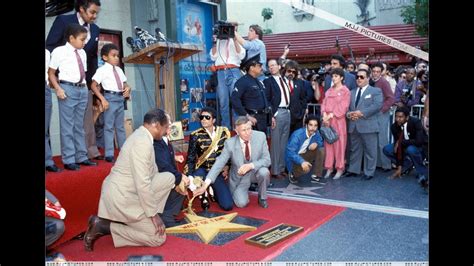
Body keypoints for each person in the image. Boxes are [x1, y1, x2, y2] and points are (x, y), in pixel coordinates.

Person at [83, 108, 190, 251]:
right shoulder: (142, 143)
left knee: (169, 178)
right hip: (122, 196)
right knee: (157, 238)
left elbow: (153, 174)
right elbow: (142, 183)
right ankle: (104, 226)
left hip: (131, 191)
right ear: (156, 125)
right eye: (165, 127)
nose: (166, 131)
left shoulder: (143, 135)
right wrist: (153, 215)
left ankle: (137, 219)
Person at [46, 0, 103, 161]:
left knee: (82, 124)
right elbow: (49, 47)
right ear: (81, 9)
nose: (94, 16)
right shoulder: (64, 21)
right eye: (92, 12)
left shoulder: (96, 29)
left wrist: (93, 85)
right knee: (67, 124)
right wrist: (54, 79)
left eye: (96, 13)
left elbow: (92, 59)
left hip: (83, 85)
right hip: (64, 82)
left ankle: (82, 155)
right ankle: (69, 158)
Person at [194, 116, 271, 208]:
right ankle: (241, 192)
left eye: (249, 128)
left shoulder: (260, 136)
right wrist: (205, 185)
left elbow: (267, 160)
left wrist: (251, 165)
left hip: (255, 172)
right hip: (239, 178)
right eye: (243, 130)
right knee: (241, 204)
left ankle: (262, 197)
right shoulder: (230, 143)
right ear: (237, 131)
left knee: (264, 172)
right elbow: (219, 163)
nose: (248, 133)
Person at [184, 107, 233, 211]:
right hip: (202, 170)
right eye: (201, 117)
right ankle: (204, 195)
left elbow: (228, 153)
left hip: (216, 171)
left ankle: (212, 190)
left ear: (214, 120)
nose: (203, 120)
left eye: (207, 117)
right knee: (196, 178)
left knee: (227, 205)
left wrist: (227, 166)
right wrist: (190, 176)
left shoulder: (223, 132)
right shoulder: (195, 135)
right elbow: (191, 158)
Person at [91, 43, 131, 163]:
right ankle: (109, 153)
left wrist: (128, 88)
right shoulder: (102, 70)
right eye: (113, 55)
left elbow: (125, 84)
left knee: (120, 127)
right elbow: (93, 85)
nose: (116, 58)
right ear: (104, 57)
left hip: (120, 99)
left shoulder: (119, 70)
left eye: (117, 56)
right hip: (109, 98)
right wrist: (102, 99)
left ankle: (124, 152)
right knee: (108, 127)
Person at [343, 69, 383, 180]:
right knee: (354, 150)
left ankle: (369, 172)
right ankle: (353, 170)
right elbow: (345, 108)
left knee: (370, 151)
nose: (359, 79)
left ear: (368, 78)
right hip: (354, 125)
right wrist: (349, 114)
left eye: (362, 77)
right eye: (357, 77)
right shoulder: (351, 92)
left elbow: (377, 106)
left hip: (368, 126)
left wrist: (361, 113)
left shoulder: (376, 91)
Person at [153, 114, 189, 226]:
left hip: (166, 175)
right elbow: (162, 165)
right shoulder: (155, 141)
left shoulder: (164, 139)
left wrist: (174, 157)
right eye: (167, 124)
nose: (170, 126)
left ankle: (170, 214)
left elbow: (163, 156)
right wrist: (179, 178)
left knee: (182, 183)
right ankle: (165, 217)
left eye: (170, 123)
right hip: (157, 179)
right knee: (179, 181)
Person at [209, 22, 246, 129]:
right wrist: (215, 42)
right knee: (223, 102)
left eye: (233, 27)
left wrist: (234, 39)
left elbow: (242, 55)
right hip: (220, 72)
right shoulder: (219, 39)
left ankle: (238, 128)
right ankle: (226, 129)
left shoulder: (238, 39)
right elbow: (213, 56)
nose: (229, 29)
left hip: (234, 70)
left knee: (235, 100)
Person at [383, 106, 428, 183]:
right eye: (396, 116)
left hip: (420, 147)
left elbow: (419, 141)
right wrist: (399, 167)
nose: (397, 119)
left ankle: (422, 172)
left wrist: (401, 142)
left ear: (407, 117)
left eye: (400, 117)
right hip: (405, 146)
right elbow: (398, 148)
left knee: (410, 149)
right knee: (387, 149)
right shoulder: (394, 127)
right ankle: (407, 164)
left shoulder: (415, 122)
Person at [263, 59, 291, 179]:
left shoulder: (285, 80)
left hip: (287, 111)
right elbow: (266, 100)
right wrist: (272, 115)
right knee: (275, 143)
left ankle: (281, 167)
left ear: (279, 66)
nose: (272, 68)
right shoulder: (267, 81)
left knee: (284, 142)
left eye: (273, 65)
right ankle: (274, 170)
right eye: (269, 66)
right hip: (277, 113)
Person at [321, 68, 351, 179]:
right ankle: (329, 167)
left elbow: (344, 106)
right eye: (333, 76)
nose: (334, 78)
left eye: (336, 76)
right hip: (327, 121)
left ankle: (340, 168)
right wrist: (324, 113)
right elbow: (324, 103)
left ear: (341, 78)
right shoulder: (329, 91)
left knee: (340, 145)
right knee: (328, 144)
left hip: (338, 121)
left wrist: (331, 115)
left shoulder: (345, 91)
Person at [231, 54, 270, 133]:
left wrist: (270, 117)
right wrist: (247, 116)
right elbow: (235, 100)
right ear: (252, 68)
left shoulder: (258, 81)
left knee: (261, 142)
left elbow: (265, 100)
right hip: (252, 119)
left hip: (263, 119)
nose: (261, 68)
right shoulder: (242, 82)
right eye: (259, 66)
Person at [286, 114, 325, 184]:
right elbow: (290, 152)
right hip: (293, 159)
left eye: (315, 125)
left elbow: (321, 142)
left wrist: (317, 144)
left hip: (304, 154)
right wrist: (301, 161)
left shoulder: (316, 133)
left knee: (321, 150)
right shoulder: (297, 135)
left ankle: (316, 175)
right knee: (307, 169)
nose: (313, 128)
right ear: (306, 125)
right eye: (311, 125)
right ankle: (293, 173)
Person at [45, 49, 61, 172]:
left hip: (46, 90)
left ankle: (48, 161)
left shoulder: (46, 53)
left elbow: (50, 73)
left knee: (45, 129)